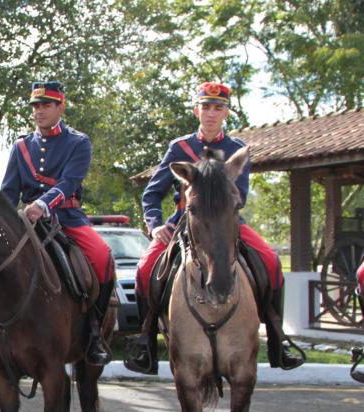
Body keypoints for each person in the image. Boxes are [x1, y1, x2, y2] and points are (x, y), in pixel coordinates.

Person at [124, 82, 305, 374]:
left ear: (226, 113)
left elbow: (241, 194)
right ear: (197, 110)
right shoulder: (179, 147)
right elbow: (152, 193)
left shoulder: (236, 150)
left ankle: (276, 337)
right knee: (144, 270)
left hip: (225, 221)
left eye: (217, 108)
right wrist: (155, 225)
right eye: (205, 107)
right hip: (184, 220)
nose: (210, 113)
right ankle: (146, 338)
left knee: (271, 263)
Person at [0, 80, 115, 365]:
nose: (39, 111)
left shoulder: (78, 142)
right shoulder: (21, 146)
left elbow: (69, 181)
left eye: (46, 105)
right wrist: (0, 217)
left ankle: (94, 331)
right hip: (25, 220)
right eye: (36, 106)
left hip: (66, 217)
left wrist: (43, 203)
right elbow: (9, 191)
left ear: (60, 106)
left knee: (103, 257)